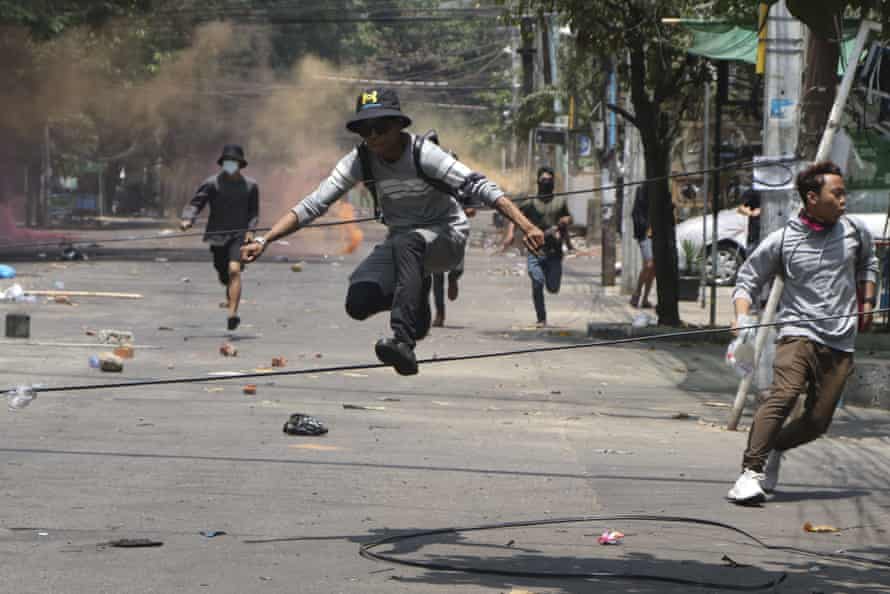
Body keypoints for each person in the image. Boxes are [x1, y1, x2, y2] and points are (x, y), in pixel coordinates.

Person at [241, 88, 544, 375]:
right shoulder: (360, 161)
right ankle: (416, 299)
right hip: (403, 243)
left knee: (409, 242)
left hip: (446, 237)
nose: (373, 136)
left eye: (381, 127)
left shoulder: (423, 154)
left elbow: (481, 186)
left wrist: (526, 225)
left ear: (398, 125)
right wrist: (264, 239)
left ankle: (404, 343)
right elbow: (313, 204)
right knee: (358, 303)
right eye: (365, 130)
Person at [727, 161, 877, 504]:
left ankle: (776, 445)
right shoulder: (783, 240)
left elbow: (869, 262)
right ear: (812, 198)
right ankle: (750, 473)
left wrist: (866, 301)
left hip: (840, 338)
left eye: (844, 193)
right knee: (784, 393)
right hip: (797, 330)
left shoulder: (854, 230)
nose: (844, 199)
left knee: (818, 421)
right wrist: (741, 315)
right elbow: (747, 280)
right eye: (836, 193)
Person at [181, 144, 259, 331]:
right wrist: (188, 219)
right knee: (224, 274)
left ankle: (232, 314)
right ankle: (230, 292)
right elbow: (196, 203)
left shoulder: (251, 186)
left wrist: (250, 231)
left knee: (234, 270)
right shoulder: (212, 183)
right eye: (227, 162)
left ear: (241, 165)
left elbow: (253, 213)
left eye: (234, 162)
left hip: (238, 235)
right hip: (217, 236)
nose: (230, 165)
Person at [502, 167, 572, 328]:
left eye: (549, 181)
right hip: (535, 250)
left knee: (553, 288)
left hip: (554, 251)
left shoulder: (560, 202)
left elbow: (568, 217)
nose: (546, 183)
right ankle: (541, 318)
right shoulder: (530, 202)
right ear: (538, 182)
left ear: (553, 182)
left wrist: (566, 221)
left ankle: (551, 280)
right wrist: (510, 234)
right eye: (543, 181)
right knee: (537, 282)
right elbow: (515, 216)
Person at [431, 207, 475, 327]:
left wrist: (466, 211)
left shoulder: (458, 189)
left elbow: (472, 209)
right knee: (437, 275)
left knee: (458, 269)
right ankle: (440, 314)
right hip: (435, 232)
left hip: (457, 232)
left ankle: (453, 278)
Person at [630, 184, 655, 308]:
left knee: (653, 268)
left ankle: (645, 299)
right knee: (649, 264)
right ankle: (637, 292)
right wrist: (644, 228)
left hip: (659, 235)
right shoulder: (642, 191)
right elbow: (636, 214)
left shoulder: (661, 192)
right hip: (645, 234)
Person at [737, 187, 762, 252]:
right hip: (756, 234)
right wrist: (752, 213)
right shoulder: (754, 190)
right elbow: (740, 208)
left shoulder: (781, 189)